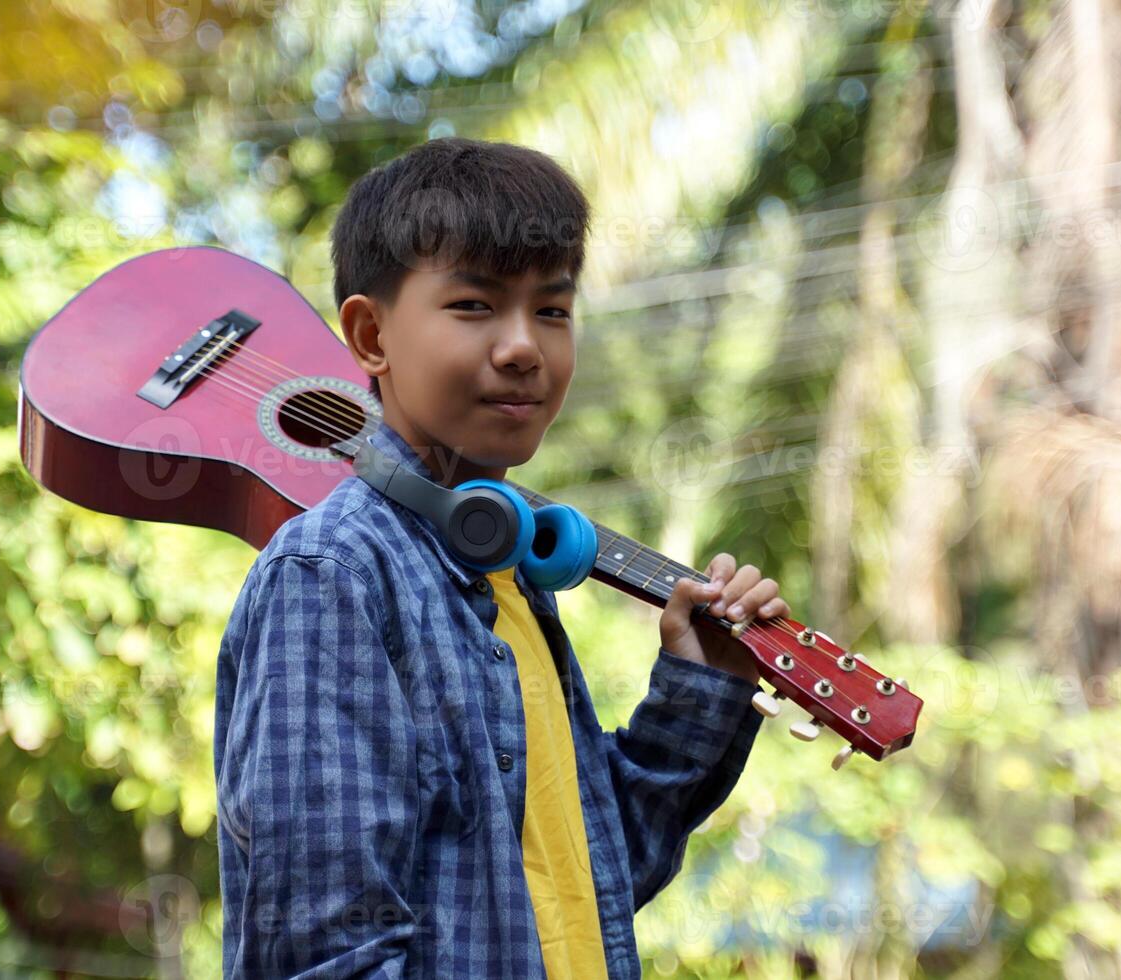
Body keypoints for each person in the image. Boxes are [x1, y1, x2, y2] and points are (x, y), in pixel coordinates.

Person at [214, 137, 790, 978]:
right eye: (476, 306)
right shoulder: (332, 578)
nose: (524, 346)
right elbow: (326, 955)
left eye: (551, 311)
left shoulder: (510, 577)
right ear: (371, 335)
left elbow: (583, 884)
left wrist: (703, 687)